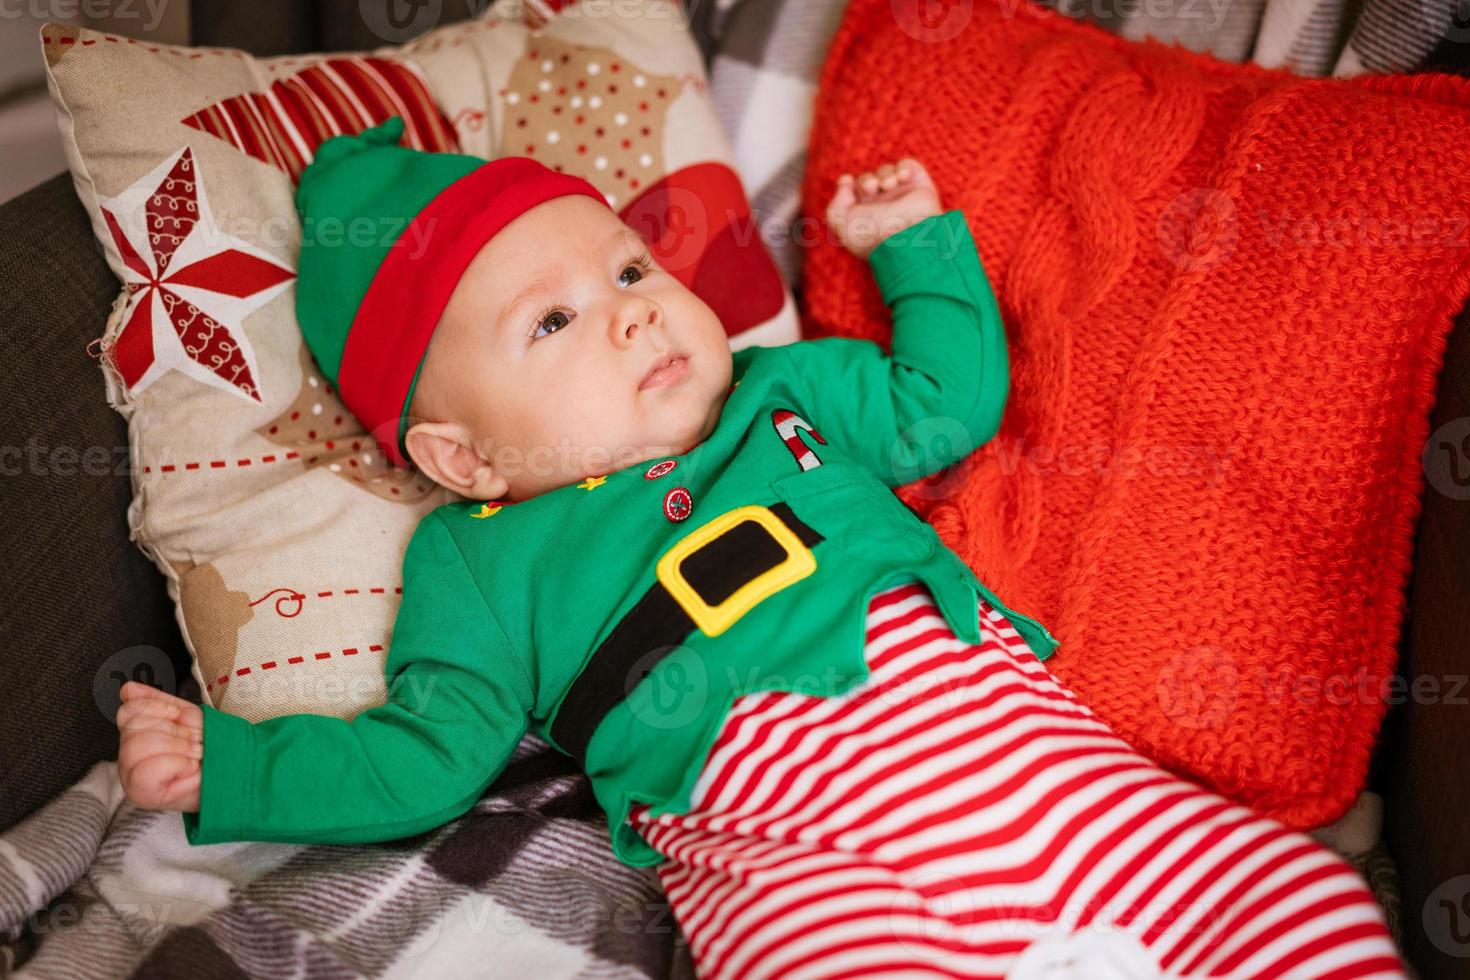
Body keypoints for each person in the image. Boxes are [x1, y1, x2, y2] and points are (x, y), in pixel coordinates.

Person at [114, 115, 1403, 979]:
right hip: (781, 839)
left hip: (1029, 764)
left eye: (626, 271)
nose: (632, 318)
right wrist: (238, 765)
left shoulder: (776, 392)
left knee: (1303, 907)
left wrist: (918, 254)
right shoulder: (478, 561)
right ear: (464, 458)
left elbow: (942, 407)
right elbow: (421, 762)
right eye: (552, 324)